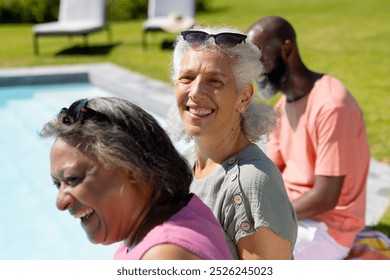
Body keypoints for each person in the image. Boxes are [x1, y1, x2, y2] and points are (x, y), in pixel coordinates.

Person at [39, 97, 233, 260]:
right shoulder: (175, 218)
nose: (61, 202)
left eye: (73, 179)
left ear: (131, 167)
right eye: (57, 184)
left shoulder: (164, 255)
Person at [167, 26, 298, 260]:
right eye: (186, 78)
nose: (195, 92)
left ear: (244, 97)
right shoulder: (184, 163)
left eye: (215, 81)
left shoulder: (251, 184)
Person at [247, 16, 370, 259]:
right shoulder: (283, 105)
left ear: (287, 49)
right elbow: (272, 172)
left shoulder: (332, 104)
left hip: (328, 227)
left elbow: (325, 198)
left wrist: (266, 217)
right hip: (292, 215)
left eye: (260, 59)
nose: (255, 71)